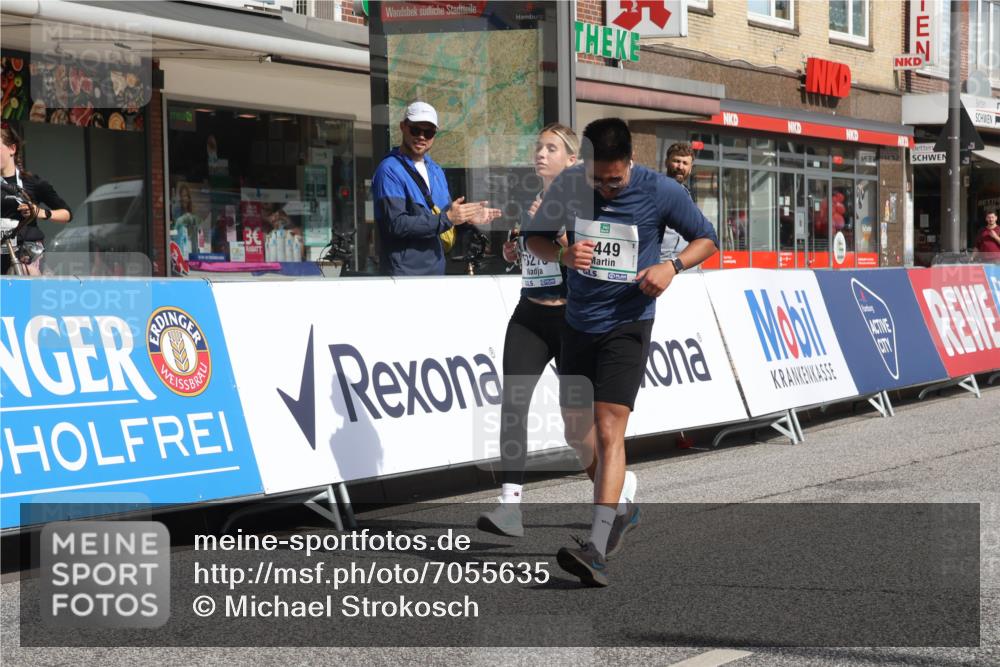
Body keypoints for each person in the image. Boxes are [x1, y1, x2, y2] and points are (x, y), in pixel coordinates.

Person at [525, 118, 718, 587]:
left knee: (611, 429)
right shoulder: (570, 185)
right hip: (578, 323)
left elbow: (707, 240)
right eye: (599, 180)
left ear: (631, 162)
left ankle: (595, 546)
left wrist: (670, 267)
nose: (607, 190)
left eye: (615, 180)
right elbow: (534, 238)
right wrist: (564, 256)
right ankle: (622, 509)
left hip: (628, 322)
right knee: (576, 431)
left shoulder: (659, 191)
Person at [478, 123, 637, 538]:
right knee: (513, 403)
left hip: (572, 319)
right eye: (538, 147)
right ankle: (510, 506)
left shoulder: (585, 201)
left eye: (551, 148)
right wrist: (512, 247)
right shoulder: (526, 201)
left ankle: (617, 496)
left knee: (578, 429)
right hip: (529, 313)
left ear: (572, 161)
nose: (540, 154)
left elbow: (594, 254)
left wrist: (560, 234)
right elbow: (522, 248)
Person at [372, 101, 499, 276]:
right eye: (416, 130)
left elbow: (443, 221)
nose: (422, 137)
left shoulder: (436, 170)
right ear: (403, 127)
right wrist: (449, 218)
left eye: (429, 132)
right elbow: (397, 224)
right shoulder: (389, 169)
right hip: (403, 277)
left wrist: (466, 219)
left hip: (436, 273)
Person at [0, 122, 72, 274]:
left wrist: (39, 212)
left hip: (26, 256)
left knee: (22, 283)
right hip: (2, 254)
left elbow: (66, 214)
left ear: (12, 149)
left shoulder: (32, 183)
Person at [659, 142, 694, 263]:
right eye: (676, 161)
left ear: (690, 168)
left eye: (685, 163)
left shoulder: (687, 194)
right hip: (660, 263)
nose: (680, 166)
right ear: (666, 162)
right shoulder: (655, 189)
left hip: (684, 264)